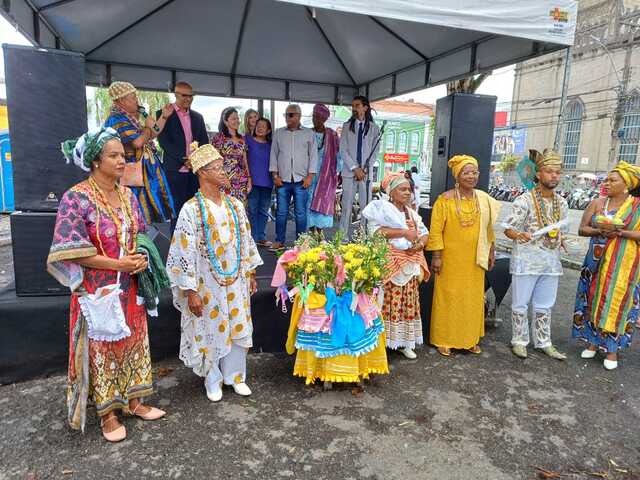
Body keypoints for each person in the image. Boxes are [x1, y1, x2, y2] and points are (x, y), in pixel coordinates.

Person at [49, 128, 166, 442]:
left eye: (122, 155)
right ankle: (108, 414)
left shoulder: (127, 194)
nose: (121, 160)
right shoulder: (76, 198)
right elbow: (69, 250)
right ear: (95, 161)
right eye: (113, 155)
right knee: (103, 348)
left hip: (129, 287)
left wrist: (142, 256)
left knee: (133, 342)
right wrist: (118, 264)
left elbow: (141, 232)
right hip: (97, 292)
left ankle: (135, 401)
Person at [167, 143, 263, 401]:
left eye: (223, 167)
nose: (224, 172)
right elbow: (182, 252)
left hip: (235, 279)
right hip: (206, 282)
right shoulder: (191, 209)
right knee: (209, 326)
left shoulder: (235, 205)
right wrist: (190, 291)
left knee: (238, 324)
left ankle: (236, 377)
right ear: (202, 172)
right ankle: (213, 379)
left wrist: (251, 273)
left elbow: (246, 240)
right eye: (218, 168)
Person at [426, 155, 500, 357]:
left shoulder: (484, 200)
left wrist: (491, 250)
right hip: (450, 259)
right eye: (466, 172)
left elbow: (489, 229)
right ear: (457, 176)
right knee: (448, 297)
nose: (471, 176)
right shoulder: (445, 199)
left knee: (472, 298)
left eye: (474, 172)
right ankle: (444, 339)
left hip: (475, 259)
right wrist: (437, 257)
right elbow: (435, 231)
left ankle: (469, 339)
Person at [572, 161, 640, 370]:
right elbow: (582, 229)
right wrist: (598, 231)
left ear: (627, 185)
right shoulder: (598, 203)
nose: (606, 183)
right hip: (595, 261)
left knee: (616, 302)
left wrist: (622, 233)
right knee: (592, 298)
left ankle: (612, 350)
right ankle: (592, 342)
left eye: (612, 180)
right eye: (606, 179)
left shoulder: (637, 207)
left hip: (624, 265)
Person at [502, 149, 568, 360]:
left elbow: (560, 231)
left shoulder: (563, 203)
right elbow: (508, 228)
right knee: (520, 303)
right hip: (526, 261)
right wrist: (518, 234)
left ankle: (543, 342)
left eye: (557, 172)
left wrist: (563, 240)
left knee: (545, 304)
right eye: (549, 171)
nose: (554, 176)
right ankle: (519, 341)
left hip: (550, 262)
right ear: (538, 174)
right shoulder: (524, 200)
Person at [362, 173, 430, 359]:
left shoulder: (411, 213)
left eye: (409, 189)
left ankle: (403, 343)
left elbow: (424, 233)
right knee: (387, 302)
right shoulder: (382, 210)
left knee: (407, 303)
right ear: (391, 192)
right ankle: (382, 342)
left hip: (409, 264)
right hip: (390, 264)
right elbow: (375, 233)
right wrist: (403, 233)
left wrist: (420, 243)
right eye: (403, 189)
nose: (407, 193)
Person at [104, 81, 175, 224]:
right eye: (133, 98)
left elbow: (152, 133)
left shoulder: (129, 118)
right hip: (132, 176)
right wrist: (147, 129)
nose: (137, 100)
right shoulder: (117, 119)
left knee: (144, 217)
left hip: (142, 174)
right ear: (122, 100)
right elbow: (138, 142)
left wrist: (164, 117)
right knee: (135, 214)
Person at [156, 81, 210, 230]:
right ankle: (176, 250)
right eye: (184, 96)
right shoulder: (163, 114)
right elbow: (164, 142)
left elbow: (204, 142)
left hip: (195, 171)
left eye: (191, 96)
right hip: (175, 171)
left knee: (195, 211)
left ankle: (194, 248)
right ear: (176, 95)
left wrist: (196, 161)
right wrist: (184, 160)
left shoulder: (198, 117)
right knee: (177, 212)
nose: (188, 99)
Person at [269, 104, 317, 250]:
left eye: (291, 115)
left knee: (301, 213)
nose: (288, 117)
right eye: (286, 114)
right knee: (281, 212)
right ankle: (279, 241)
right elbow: (273, 155)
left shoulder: (309, 133)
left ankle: (301, 242)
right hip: (282, 180)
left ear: (298, 116)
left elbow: (313, 156)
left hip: (301, 180)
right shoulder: (278, 133)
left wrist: (310, 177)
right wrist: (274, 175)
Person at [339, 96, 381, 239]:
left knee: (366, 208)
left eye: (357, 105)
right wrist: (355, 168)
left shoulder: (374, 129)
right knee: (346, 207)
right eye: (353, 106)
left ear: (365, 107)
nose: (354, 108)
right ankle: (343, 237)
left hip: (365, 174)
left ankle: (362, 237)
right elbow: (343, 150)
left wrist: (365, 169)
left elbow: (375, 152)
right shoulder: (346, 126)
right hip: (349, 173)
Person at [307, 103, 340, 233]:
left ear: (324, 119)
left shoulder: (332, 134)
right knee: (309, 201)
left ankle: (320, 232)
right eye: (314, 116)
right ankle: (310, 232)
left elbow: (339, 154)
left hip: (326, 175)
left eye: (319, 117)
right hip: (309, 174)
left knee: (322, 200)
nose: (316, 120)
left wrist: (336, 171)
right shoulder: (307, 133)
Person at [212, 107, 251, 203]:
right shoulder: (219, 138)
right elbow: (215, 161)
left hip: (241, 182)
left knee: (240, 211)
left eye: (238, 118)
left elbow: (245, 161)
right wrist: (220, 179)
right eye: (234, 118)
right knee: (226, 211)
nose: (237, 121)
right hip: (224, 181)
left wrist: (249, 179)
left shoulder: (242, 139)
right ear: (225, 121)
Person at [246, 117, 274, 247]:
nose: (260, 128)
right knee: (252, 210)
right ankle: (252, 238)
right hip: (252, 182)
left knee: (263, 211)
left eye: (263, 126)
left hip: (267, 182)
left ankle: (261, 237)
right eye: (258, 125)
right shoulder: (248, 140)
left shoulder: (271, 145)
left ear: (268, 130)